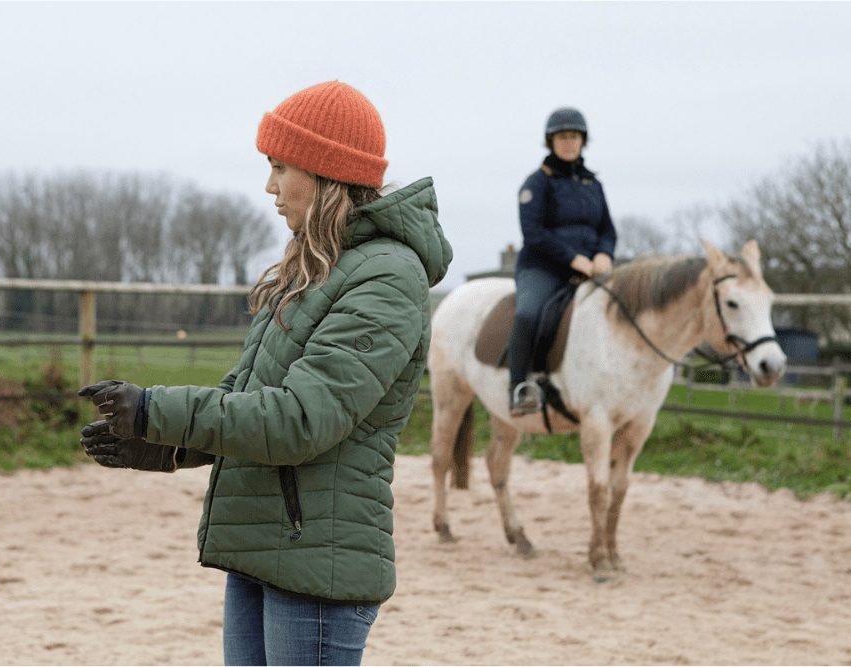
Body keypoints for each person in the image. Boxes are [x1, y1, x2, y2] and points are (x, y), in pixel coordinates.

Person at [77, 80, 452, 666]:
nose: (269, 187)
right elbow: (245, 396)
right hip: (264, 544)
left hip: (318, 563)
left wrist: (153, 408)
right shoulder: (316, 266)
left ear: (326, 173)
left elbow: (298, 420)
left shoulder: (387, 277)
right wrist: (164, 445)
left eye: (281, 167)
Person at [507, 107, 617, 416]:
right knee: (527, 314)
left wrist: (604, 253)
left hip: (591, 268)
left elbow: (607, 229)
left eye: (574, 136)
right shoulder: (536, 182)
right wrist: (573, 259)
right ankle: (519, 388)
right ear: (551, 142)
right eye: (562, 137)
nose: (569, 142)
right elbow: (533, 232)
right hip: (542, 267)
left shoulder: (593, 184)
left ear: (583, 140)